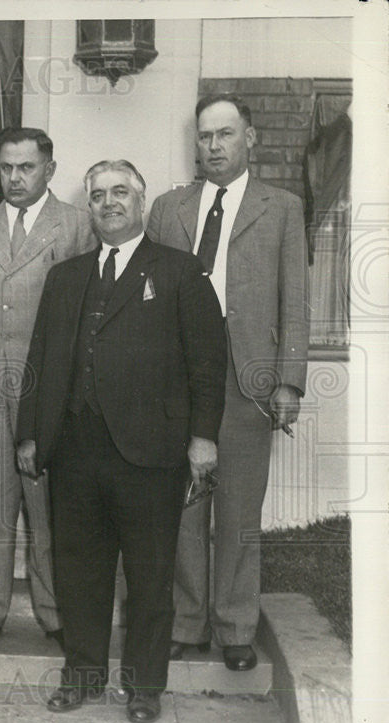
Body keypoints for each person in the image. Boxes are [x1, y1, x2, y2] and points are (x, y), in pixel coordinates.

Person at [16, 159, 227, 723]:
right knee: (78, 569)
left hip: (150, 452)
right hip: (75, 450)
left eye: (120, 193)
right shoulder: (66, 276)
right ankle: (82, 675)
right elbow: (42, 359)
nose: (109, 203)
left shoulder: (181, 271)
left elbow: (209, 363)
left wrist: (203, 437)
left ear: (140, 199)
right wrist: (31, 434)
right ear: (88, 207)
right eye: (98, 195)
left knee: (150, 573)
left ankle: (143, 688)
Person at [146, 94, 309, 672]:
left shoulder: (282, 207)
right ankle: (187, 623)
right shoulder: (169, 207)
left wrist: (289, 381)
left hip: (249, 379)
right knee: (185, 510)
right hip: (180, 379)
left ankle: (236, 626)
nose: (213, 146)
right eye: (205, 136)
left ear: (250, 137)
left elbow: (296, 299)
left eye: (225, 135)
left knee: (239, 512)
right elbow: (152, 295)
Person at [0, 127, 96, 651]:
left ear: (49, 170)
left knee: (49, 513)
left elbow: (89, 316)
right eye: (6, 168)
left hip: (51, 398)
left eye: (26, 168)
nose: (14, 178)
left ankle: (57, 614)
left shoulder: (78, 226)